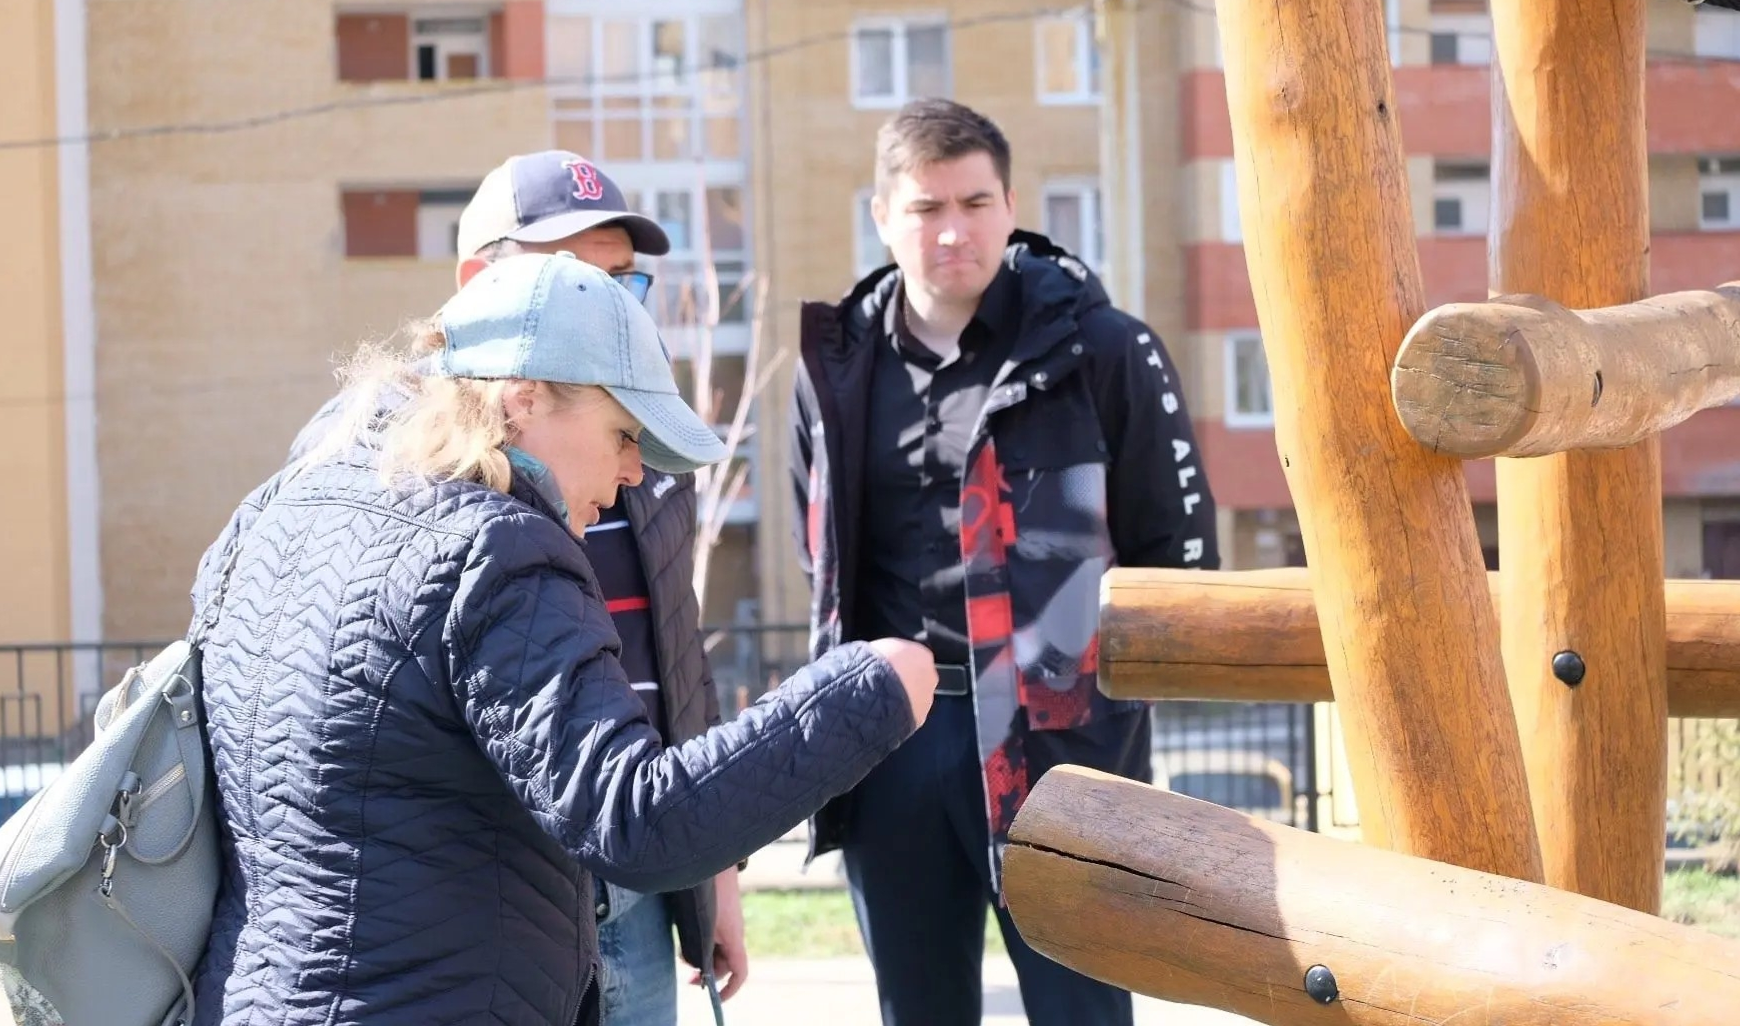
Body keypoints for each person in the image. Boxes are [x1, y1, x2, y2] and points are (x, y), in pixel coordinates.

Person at [191, 251, 938, 1026]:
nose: (634, 472)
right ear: (524, 399)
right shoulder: (493, 551)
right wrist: (869, 690)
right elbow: (637, 820)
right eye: (623, 433)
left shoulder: (278, 514)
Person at [788, 98, 1220, 1026]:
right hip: (891, 738)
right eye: (927, 208)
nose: (954, 231)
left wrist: (1112, 714)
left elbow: (1175, 559)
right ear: (882, 216)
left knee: (1081, 1011)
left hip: (1061, 747)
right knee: (917, 1010)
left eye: (976, 203)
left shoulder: (1102, 350)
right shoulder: (837, 369)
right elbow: (817, 550)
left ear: (1011, 206)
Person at [287, 150, 744, 1024]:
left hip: (636, 874)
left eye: (623, 280)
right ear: (476, 282)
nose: (608, 304)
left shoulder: (646, 448)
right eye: (571, 275)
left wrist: (715, 873)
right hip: (488, 889)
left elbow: (679, 657)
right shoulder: (383, 449)